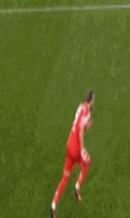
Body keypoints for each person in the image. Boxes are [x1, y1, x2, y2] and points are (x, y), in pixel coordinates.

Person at [50, 90, 94, 218]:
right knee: (88, 162)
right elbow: (81, 129)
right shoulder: (87, 112)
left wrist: (87, 125)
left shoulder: (80, 107)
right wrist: (82, 148)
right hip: (76, 149)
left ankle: (53, 206)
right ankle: (77, 187)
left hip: (69, 145)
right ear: (92, 100)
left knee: (65, 177)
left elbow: (80, 124)